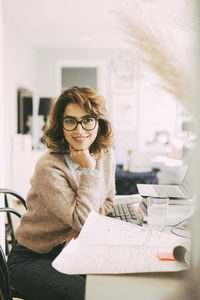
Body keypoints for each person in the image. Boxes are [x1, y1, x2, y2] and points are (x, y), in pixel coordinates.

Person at [7, 86, 116, 300]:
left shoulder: (105, 153)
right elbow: (83, 219)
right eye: (70, 121)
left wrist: (79, 229)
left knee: (117, 285)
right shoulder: (49, 167)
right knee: (91, 294)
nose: (79, 130)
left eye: (87, 120)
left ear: (99, 123)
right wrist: (88, 170)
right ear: (61, 125)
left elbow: (109, 201)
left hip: (74, 250)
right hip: (32, 259)